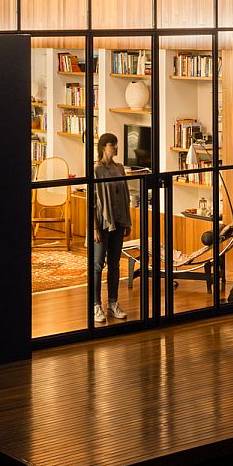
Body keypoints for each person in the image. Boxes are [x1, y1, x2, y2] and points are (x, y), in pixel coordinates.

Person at [91, 132, 132, 323]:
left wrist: (127, 221)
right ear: (103, 147)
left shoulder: (119, 168)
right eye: (112, 145)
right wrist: (95, 228)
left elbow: (125, 196)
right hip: (101, 222)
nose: (116, 148)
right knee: (98, 265)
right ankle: (96, 305)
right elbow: (91, 202)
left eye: (116, 144)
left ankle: (113, 303)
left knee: (115, 264)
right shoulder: (96, 170)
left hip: (118, 221)